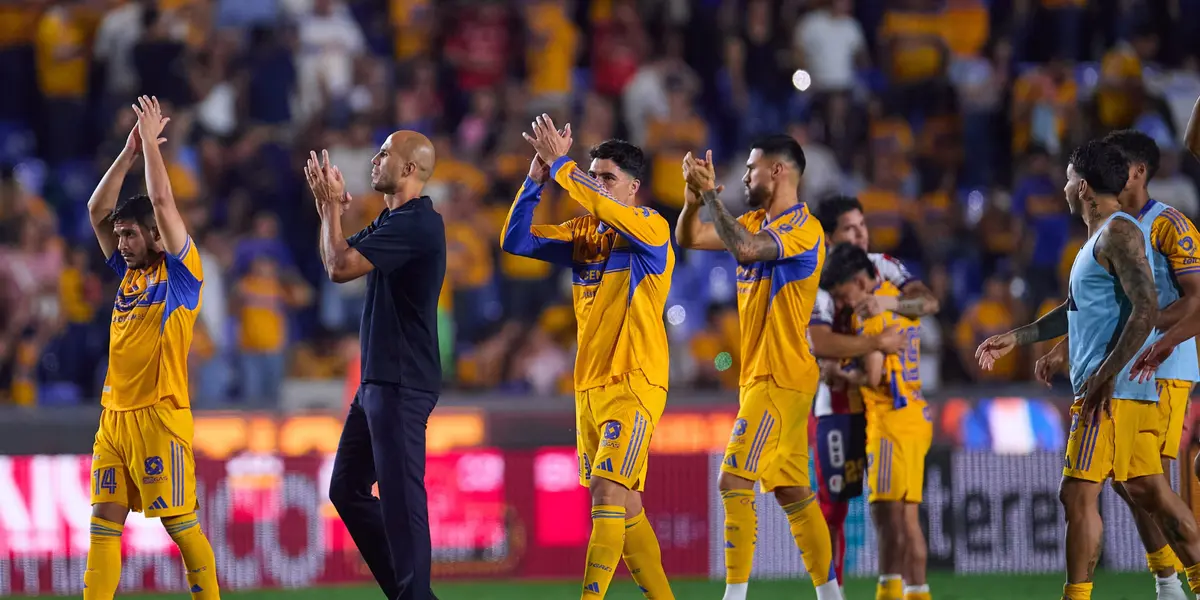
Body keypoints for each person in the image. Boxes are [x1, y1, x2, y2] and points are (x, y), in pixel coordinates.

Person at [977, 140, 1200, 600]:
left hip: (1113, 391)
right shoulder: (1099, 239)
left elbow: (1146, 309)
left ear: (1081, 187)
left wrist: (1104, 376)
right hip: (1125, 387)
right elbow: (1077, 308)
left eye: (1066, 179)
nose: (1062, 187)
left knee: (1076, 495)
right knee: (1149, 492)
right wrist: (1018, 337)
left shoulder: (1119, 233)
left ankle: (1077, 596)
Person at [503, 114, 676, 600]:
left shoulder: (651, 229)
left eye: (607, 178)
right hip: (590, 387)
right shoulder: (583, 233)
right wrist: (535, 179)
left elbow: (598, 203)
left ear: (634, 187)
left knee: (605, 492)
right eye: (593, 175)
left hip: (635, 380)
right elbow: (516, 240)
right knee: (626, 505)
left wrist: (563, 166)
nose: (597, 185)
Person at [675, 136, 841, 600]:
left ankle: (734, 597)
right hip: (761, 377)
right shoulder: (749, 222)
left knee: (733, 478)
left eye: (751, 168)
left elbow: (747, 250)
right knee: (792, 492)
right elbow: (689, 237)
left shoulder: (805, 228)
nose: (745, 177)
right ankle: (832, 596)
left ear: (778, 171)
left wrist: (712, 199)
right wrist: (692, 201)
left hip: (780, 375)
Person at [82, 96, 219, 600]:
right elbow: (96, 210)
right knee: (102, 524)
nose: (120, 243)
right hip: (114, 417)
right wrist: (128, 153)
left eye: (131, 235)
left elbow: (162, 203)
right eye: (119, 235)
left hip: (160, 415)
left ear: (157, 237)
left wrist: (153, 148)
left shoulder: (182, 275)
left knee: (181, 527)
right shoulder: (128, 274)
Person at [305, 131, 446, 600]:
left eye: (385, 153)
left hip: (401, 382)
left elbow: (339, 267)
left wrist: (330, 209)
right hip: (378, 385)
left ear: (408, 169)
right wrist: (329, 210)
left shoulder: (417, 224)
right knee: (346, 489)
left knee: (403, 506)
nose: (375, 159)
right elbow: (337, 255)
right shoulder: (393, 221)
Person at [808, 195, 940, 591]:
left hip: (881, 407)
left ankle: (895, 590)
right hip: (842, 408)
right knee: (837, 512)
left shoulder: (881, 270)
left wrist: (880, 312)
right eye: (850, 229)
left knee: (889, 516)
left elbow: (928, 302)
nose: (861, 234)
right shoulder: (819, 278)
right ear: (829, 237)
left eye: (862, 225)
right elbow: (819, 341)